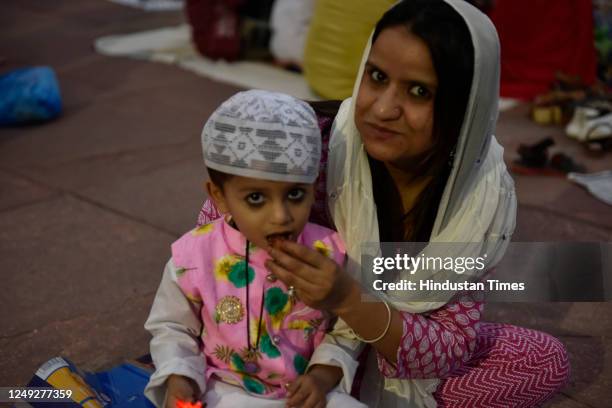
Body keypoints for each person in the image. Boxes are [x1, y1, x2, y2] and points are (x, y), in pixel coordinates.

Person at [198, 1, 571, 407]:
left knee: (542, 360)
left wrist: (348, 300)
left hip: (386, 353)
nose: (381, 108)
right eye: (376, 77)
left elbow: (448, 347)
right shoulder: (304, 152)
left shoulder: (479, 200)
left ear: (465, 106)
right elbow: (207, 256)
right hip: (269, 352)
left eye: (418, 91)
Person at [144, 90, 367, 408]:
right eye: (256, 199)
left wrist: (321, 376)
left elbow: (347, 329)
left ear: (313, 186)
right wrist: (180, 377)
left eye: (295, 195)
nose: (281, 216)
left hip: (304, 398)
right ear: (218, 196)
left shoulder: (329, 253)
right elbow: (172, 326)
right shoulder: (193, 257)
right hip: (225, 390)